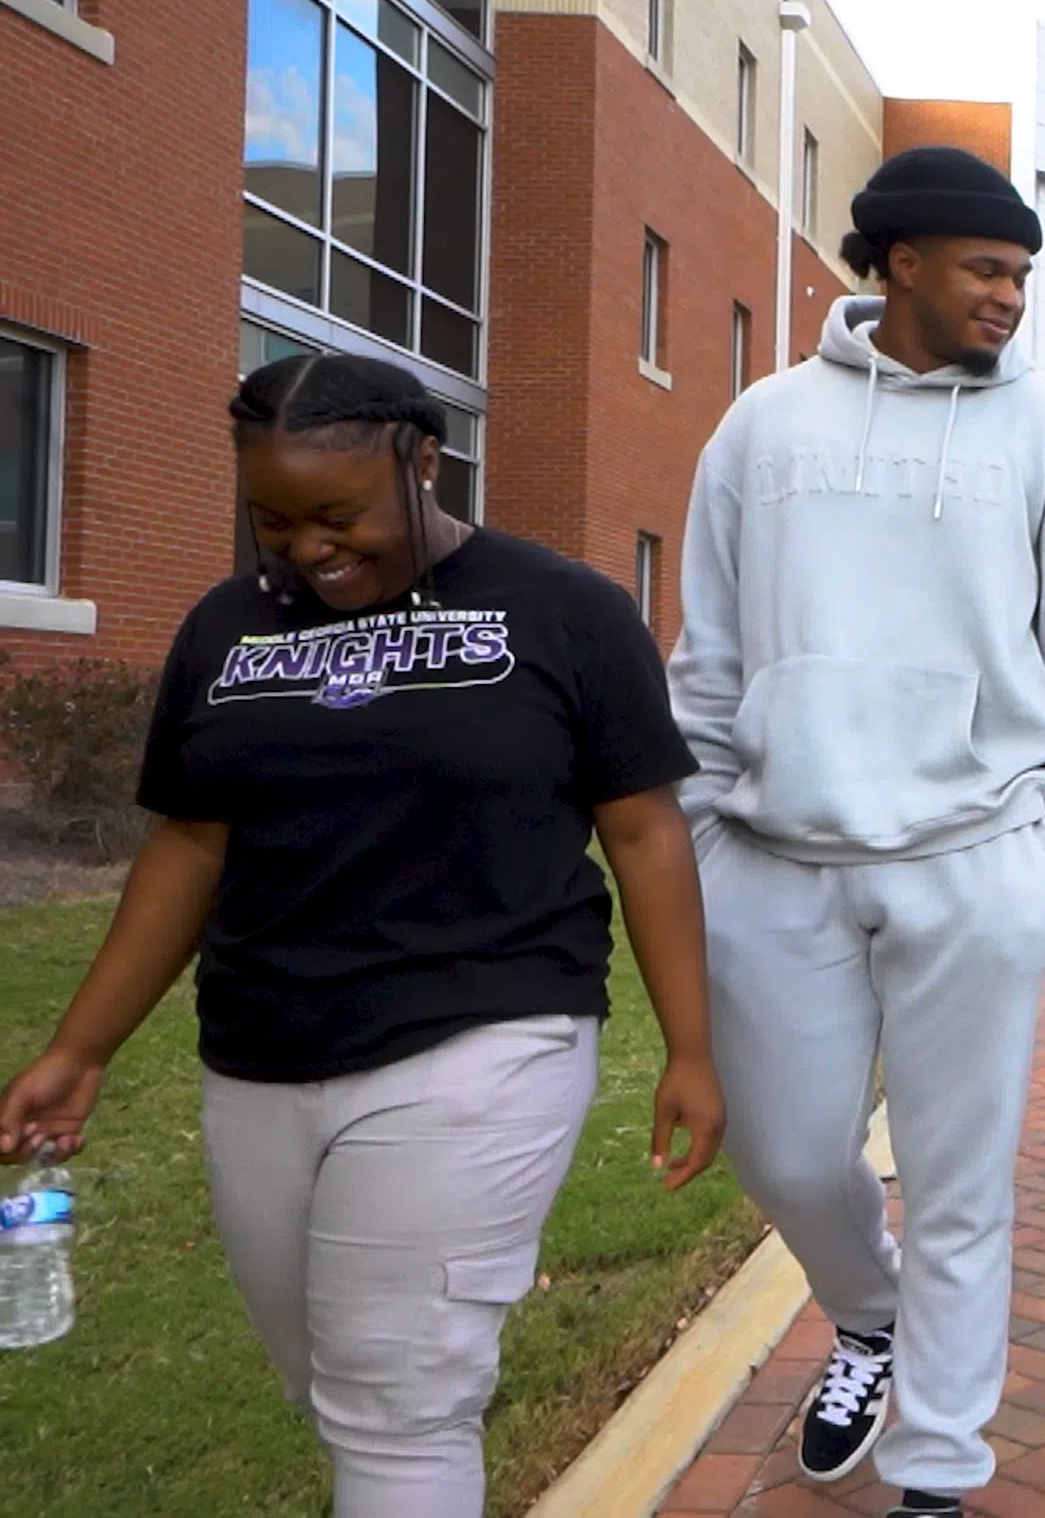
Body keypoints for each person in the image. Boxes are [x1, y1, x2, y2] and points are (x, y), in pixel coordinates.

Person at [0, 353, 723, 1516]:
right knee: (328, 1377)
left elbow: (643, 832)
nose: (305, 546)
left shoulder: (562, 609)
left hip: (483, 1036)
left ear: (423, 461)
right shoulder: (226, 627)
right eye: (272, 519)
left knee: (399, 1401)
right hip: (261, 1049)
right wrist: (81, 1047)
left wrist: (691, 1046)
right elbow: (192, 843)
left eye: (337, 514)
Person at [667, 146, 1045, 1518]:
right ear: (901, 265)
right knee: (790, 1152)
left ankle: (938, 1467)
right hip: (774, 860)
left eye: (1022, 277)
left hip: (976, 864)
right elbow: (706, 654)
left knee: (959, 1181)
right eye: (988, 271)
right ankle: (866, 1317)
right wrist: (707, 828)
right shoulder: (761, 428)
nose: (1011, 298)